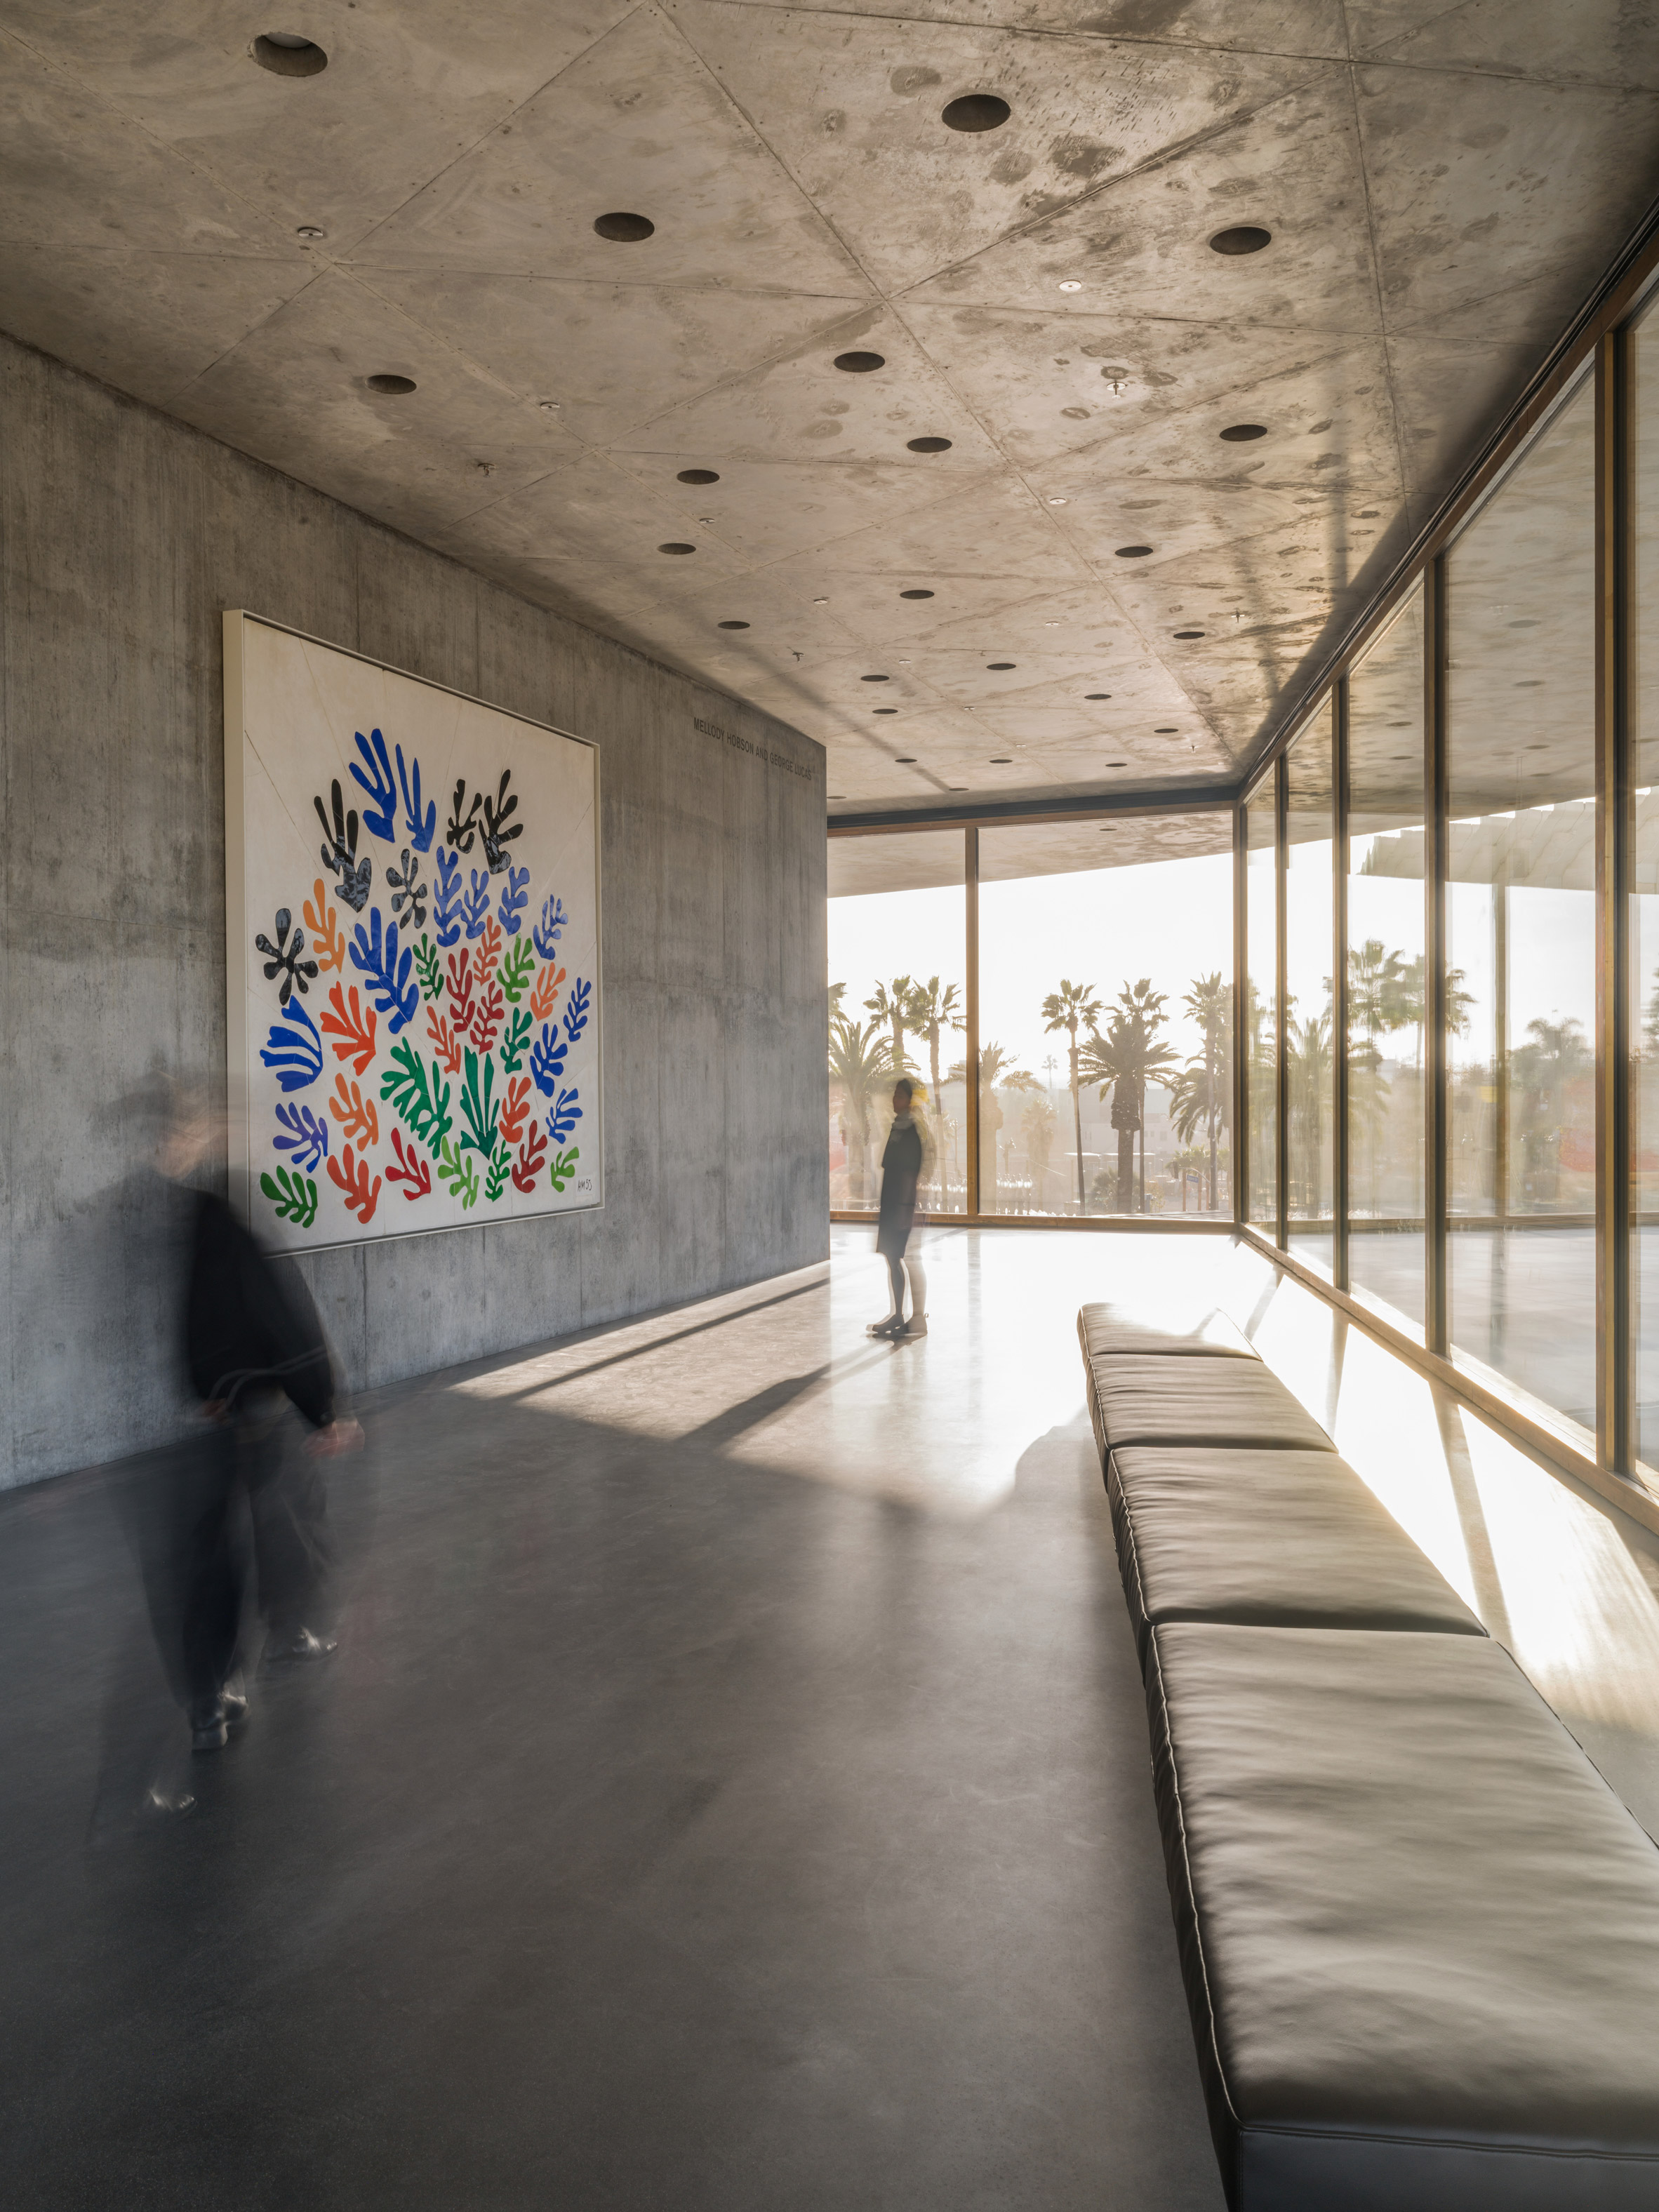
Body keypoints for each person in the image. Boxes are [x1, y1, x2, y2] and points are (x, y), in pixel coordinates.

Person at [156, 1087, 362, 1752]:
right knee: (285, 1519)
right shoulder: (227, 1211)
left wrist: (201, 1381)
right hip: (248, 1405)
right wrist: (322, 1408)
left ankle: (211, 1701)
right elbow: (278, 1313)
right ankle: (283, 1640)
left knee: (214, 1555)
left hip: (215, 1407)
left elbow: (197, 1311)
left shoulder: (192, 1211)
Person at [868, 1078, 935, 1340]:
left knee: (900, 1258)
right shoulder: (899, 1128)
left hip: (900, 1205)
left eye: (898, 1095)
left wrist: (904, 1209)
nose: (894, 1100)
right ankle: (899, 1313)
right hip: (894, 1203)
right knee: (893, 1258)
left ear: (908, 1100)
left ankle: (907, 1316)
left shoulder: (909, 1131)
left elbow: (909, 1173)